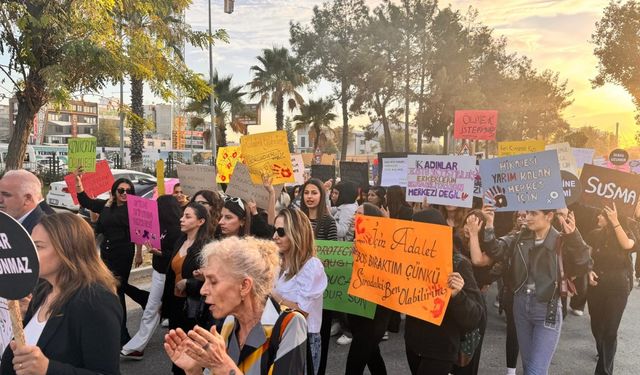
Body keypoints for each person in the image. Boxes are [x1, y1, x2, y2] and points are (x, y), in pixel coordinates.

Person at [164, 237, 308, 375]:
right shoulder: (229, 323)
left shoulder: (289, 324)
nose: (203, 290)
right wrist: (193, 370)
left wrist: (222, 366)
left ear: (244, 286)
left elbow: (222, 367)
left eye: (213, 281)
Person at [0, 213, 121, 375]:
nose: (29, 253)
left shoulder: (96, 301)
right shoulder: (43, 290)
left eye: (39, 246)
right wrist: (21, 320)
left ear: (68, 250)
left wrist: (48, 369)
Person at [482, 205, 591, 375]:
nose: (527, 217)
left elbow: (584, 264)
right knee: (528, 367)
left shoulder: (562, 239)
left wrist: (574, 235)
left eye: (533, 214)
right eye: (527, 213)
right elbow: (495, 250)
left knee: (535, 371)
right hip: (520, 306)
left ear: (549, 216)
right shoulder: (518, 237)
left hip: (548, 307)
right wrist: (489, 224)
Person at [405, 208, 484, 375]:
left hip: (441, 348)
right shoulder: (408, 260)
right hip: (413, 344)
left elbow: (475, 317)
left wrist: (457, 295)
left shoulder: (458, 264)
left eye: (418, 231)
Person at [75, 174, 146, 346]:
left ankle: (123, 336)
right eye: (121, 190)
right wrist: (78, 183)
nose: (124, 193)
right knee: (113, 286)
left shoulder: (133, 209)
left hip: (123, 253)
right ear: (114, 191)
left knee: (117, 290)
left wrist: (139, 253)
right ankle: (148, 300)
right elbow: (86, 202)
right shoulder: (107, 205)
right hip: (106, 253)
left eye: (128, 191)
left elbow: (139, 233)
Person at [121, 195, 183, 360]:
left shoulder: (178, 229)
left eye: (158, 207)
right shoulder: (157, 225)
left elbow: (179, 255)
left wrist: (159, 253)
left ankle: (136, 347)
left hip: (167, 274)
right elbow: (142, 234)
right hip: (157, 271)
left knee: (152, 308)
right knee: (155, 308)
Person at [272, 208, 327, 375]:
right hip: (276, 334)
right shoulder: (277, 262)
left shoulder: (312, 266)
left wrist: (272, 295)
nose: (275, 236)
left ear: (297, 233)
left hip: (302, 339)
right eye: (274, 230)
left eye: (281, 232)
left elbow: (302, 311)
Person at [162, 202, 213, 374]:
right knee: (176, 349)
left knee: (191, 353)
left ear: (201, 221)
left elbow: (212, 282)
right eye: (182, 215)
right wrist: (165, 303)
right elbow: (171, 273)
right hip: (176, 306)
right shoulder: (180, 240)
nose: (182, 219)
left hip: (193, 310)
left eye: (187, 216)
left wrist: (189, 283)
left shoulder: (206, 247)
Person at [344, 203, 394, 375]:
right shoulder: (352, 242)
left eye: (359, 214)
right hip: (357, 310)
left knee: (354, 363)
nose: (354, 217)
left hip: (375, 315)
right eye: (355, 214)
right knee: (372, 355)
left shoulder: (384, 248)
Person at [586, 203, 635, 375]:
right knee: (597, 325)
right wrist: (588, 271)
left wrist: (615, 222)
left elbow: (627, 245)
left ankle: (604, 371)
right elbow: (587, 258)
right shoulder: (594, 234)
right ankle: (603, 352)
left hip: (618, 288)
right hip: (596, 286)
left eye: (602, 215)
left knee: (610, 330)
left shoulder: (627, 233)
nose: (598, 217)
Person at [298, 178, 336, 375]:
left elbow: (332, 255)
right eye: (306, 193)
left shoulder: (328, 222)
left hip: (320, 291)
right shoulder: (296, 219)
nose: (310, 197)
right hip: (298, 288)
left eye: (314, 193)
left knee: (319, 336)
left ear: (322, 196)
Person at [0, 169, 45, 234]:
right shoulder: (7, 220)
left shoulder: (43, 232)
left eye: (6, 195)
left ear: (27, 199)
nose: (0, 200)